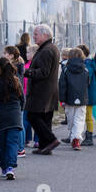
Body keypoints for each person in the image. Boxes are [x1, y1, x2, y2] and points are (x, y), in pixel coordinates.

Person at [0, 56, 25, 179]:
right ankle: (10, 168)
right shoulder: (16, 81)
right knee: (12, 143)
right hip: (15, 117)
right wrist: (19, 110)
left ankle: (4, 167)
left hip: (2, 117)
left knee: (2, 143)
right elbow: (22, 100)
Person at [24, 24, 62, 154]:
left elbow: (44, 72)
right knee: (45, 118)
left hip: (42, 91)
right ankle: (45, 146)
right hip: (48, 91)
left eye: (35, 34)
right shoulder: (49, 48)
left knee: (32, 116)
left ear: (45, 35)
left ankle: (51, 140)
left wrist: (27, 72)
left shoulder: (46, 50)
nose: (33, 37)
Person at [58, 47, 92, 150]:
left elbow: (62, 85)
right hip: (82, 98)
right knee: (80, 119)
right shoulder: (85, 69)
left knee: (71, 119)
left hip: (69, 98)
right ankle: (76, 138)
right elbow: (88, 83)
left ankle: (74, 137)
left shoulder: (66, 69)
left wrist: (62, 99)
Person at [77, 43, 96, 146]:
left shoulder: (88, 64)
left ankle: (89, 136)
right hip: (86, 93)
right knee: (81, 115)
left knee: (88, 116)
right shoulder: (87, 63)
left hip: (88, 94)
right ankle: (76, 135)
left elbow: (86, 77)